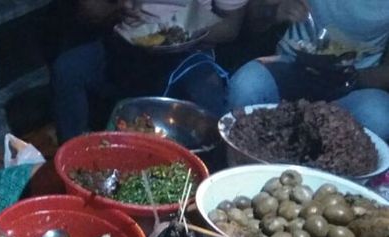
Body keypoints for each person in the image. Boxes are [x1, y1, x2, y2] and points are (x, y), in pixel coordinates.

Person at [51, 0, 248, 143]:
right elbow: (89, 11)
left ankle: (204, 179)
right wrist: (115, 9)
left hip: (189, 53)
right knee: (68, 69)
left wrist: (188, 33)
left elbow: (231, 26)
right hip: (126, 44)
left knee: (207, 90)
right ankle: (72, 158)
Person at [228, 0, 389, 139]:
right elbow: (252, 22)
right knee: (247, 84)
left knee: (379, 115)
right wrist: (276, 11)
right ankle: (248, 166)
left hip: (354, 83)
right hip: (292, 64)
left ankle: (326, 171)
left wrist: (350, 77)